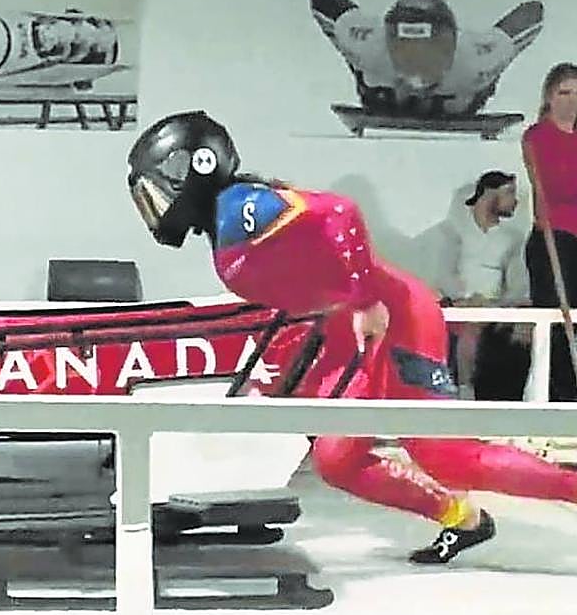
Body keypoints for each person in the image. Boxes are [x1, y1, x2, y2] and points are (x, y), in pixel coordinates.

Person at [126, 110, 577, 564]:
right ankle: (464, 519)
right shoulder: (229, 223)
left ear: (200, 164)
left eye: (164, 182)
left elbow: (339, 212)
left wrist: (363, 300)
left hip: (393, 316)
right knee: (338, 461)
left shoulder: (246, 205)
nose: (158, 202)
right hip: (353, 329)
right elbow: (299, 286)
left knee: (447, 456)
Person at [436, 170, 531, 400]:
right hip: (459, 305)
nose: (515, 201)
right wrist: (463, 299)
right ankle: (464, 390)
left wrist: (494, 305)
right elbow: (443, 273)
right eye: (509, 193)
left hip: (495, 307)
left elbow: (518, 283)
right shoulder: (453, 230)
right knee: (468, 327)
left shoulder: (513, 238)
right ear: (489, 194)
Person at [522, 62, 577, 402]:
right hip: (552, 239)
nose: (572, 100)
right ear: (549, 96)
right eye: (564, 92)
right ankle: (556, 398)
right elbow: (545, 186)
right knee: (554, 322)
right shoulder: (537, 136)